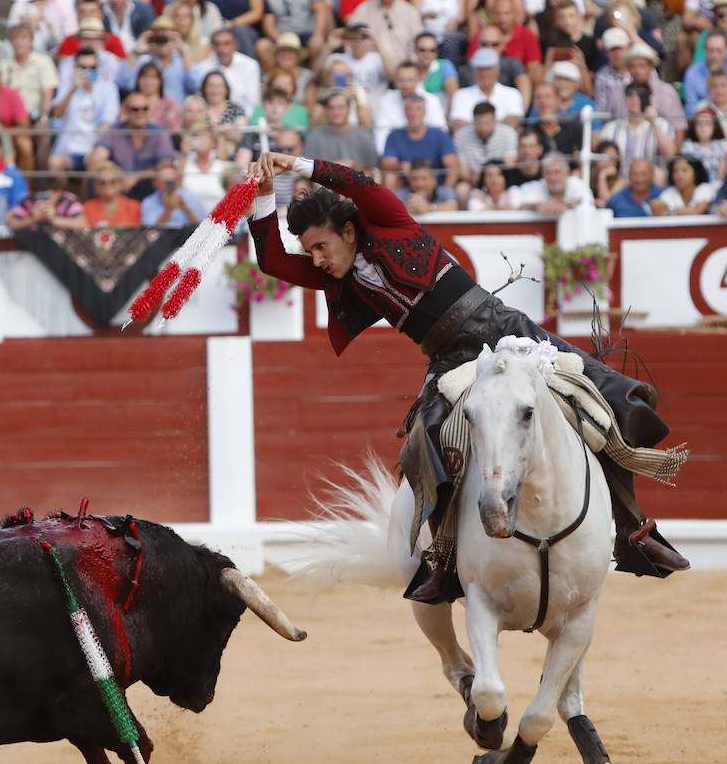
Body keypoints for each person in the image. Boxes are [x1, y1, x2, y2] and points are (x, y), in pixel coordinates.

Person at [246, 150, 689, 603]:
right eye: (310, 251)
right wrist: (264, 198)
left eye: (320, 246)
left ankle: (634, 533)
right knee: (427, 442)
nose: (316, 259)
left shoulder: (390, 223)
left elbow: (361, 184)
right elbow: (273, 263)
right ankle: (443, 560)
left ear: (347, 231)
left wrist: (296, 164)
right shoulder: (338, 280)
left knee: (606, 396)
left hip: (503, 328)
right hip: (446, 359)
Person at [258, 0, 333, 72]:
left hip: (307, 33)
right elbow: (269, 26)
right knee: (262, 45)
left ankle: (310, 84)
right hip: (281, 36)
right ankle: (277, 79)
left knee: (319, 45)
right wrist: (285, 41)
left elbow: (321, 9)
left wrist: (318, 35)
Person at [516, 151, 591, 213]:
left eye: (557, 172)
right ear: (542, 174)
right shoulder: (535, 186)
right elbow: (521, 205)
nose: (552, 177)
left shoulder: (577, 184)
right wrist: (536, 206)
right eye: (548, 172)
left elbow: (588, 203)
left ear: (567, 173)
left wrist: (565, 206)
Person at [7, 176, 87, 230]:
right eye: (40, 196)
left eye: (48, 196)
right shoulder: (28, 199)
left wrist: (55, 220)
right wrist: (32, 219)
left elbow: (82, 223)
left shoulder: (69, 201)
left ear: (58, 192)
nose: (44, 200)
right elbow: (12, 224)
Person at [140, 162, 206, 228]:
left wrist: (185, 208)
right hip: (163, 237)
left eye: (171, 182)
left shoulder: (192, 198)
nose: (169, 186)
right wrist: (168, 210)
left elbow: (202, 228)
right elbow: (149, 231)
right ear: (156, 183)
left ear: (177, 181)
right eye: (165, 183)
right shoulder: (148, 202)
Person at [82, 158, 142, 225]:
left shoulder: (134, 206)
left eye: (112, 182)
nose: (107, 185)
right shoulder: (88, 208)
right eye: (102, 182)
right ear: (95, 186)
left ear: (120, 183)